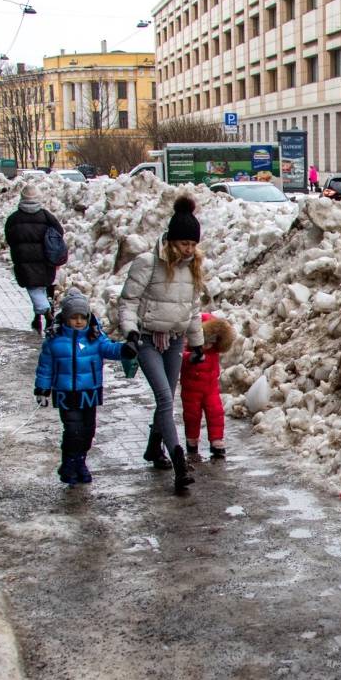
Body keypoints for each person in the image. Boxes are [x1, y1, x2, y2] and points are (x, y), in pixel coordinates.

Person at [119, 194, 206, 494]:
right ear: (171, 240)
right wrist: (130, 333)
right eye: (185, 244)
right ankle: (179, 463)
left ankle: (153, 449)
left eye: (193, 245)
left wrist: (197, 345)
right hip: (146, 339)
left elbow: (192, 308)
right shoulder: (147, 263)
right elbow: (128, 302)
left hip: (174, 340)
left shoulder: (193, 267)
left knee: (167, 397)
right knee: (165, 400)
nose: (189, 250)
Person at [34, 289, 135, 485]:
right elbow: (45, 367)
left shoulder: (94, 338)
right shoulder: (54, 341)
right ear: (65, 318)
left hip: (89, 394)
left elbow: (109, 348)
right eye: (74, 317)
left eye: (83, 317)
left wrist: (125, 349)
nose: (79, 321)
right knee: (73, 431)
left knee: (88, 430)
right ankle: (69, 463)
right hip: (66, 394)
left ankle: (80, 462)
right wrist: (42, 388)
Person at [5, 184, 65, 333]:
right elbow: (59, 233)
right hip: (45, 260)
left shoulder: (14, 218)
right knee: (42, 288)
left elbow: (9, 238)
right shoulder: (46, 216)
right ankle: (44, 316)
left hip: (24, 261)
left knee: (34, 289)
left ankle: (46, 316)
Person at [180, 312, 235, 461]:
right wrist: (190, 358)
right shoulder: (189, 348)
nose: (208, 345)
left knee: (216, 412)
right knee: (192, 415)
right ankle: (192, 440)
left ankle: (216, 440)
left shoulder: (214, 350)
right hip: (191, 388)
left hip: (211, 388)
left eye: (211, 342)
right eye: (205, 341)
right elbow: (181, 357)